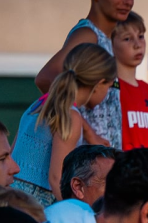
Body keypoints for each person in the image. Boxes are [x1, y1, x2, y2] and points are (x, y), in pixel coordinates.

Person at [10, 44, 117, 206]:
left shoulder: (41, 103)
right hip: (35, 203)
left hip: (11, 194)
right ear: (99, 83)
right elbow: (56, 178)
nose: (108, 94)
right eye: (109, 87)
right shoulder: (70, 116)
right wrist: (74, 215)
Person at [35, 0, 130, 149]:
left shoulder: (108, 39)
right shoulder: (88, 34)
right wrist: (88, 132)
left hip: (102, 159)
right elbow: (46, 78)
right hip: (85, 161)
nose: (128, 2)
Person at [111, 13, 148, 154]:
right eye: (127, 39)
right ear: (111, 44)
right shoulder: (109, 89)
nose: (137, 45)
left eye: (141, 36)